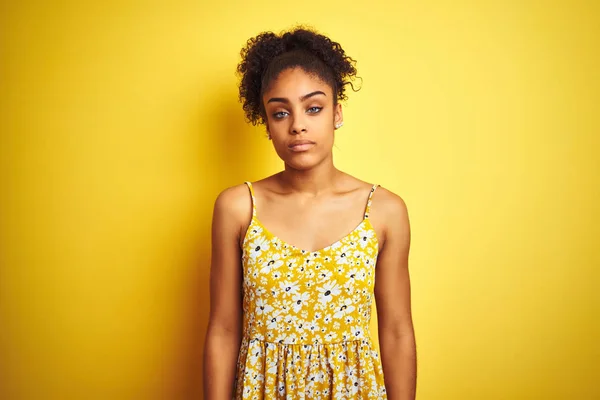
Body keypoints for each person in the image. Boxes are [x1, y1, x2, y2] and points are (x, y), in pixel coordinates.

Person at [203, 26, 416, 399]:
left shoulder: (384, 211)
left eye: (313, 108)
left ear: (337, 113)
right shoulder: (238, 208)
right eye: (281, 113)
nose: (298, 124)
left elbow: (397, 330)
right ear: (267, 126)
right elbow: (222, 330)